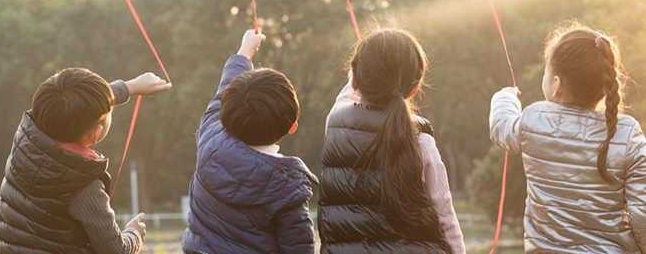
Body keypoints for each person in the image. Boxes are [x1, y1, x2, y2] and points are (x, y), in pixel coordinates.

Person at [490, 24, 646, 253]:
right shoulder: (627, 133)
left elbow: (501, 127)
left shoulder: (534, 120)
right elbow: (642, 210)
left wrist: (505, 97)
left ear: (556, 85)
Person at [319, 28, 465, 254]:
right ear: (415, 87)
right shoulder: (420, 137)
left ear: (356, 79)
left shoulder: (335, 122)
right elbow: (444, 214)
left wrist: (359, 71)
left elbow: (347, 93)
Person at [0, 68, 171, 254]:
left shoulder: (27, 138)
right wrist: (134, 233)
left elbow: (73, 106)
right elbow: (116, 251)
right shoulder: (82, 186)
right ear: (96, 132)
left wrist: (131, 87)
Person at [182, 29, 318, 254]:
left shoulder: (210, 139)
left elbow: (223, 91)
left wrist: (244, 52)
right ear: (293, 126)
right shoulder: (288, 188)